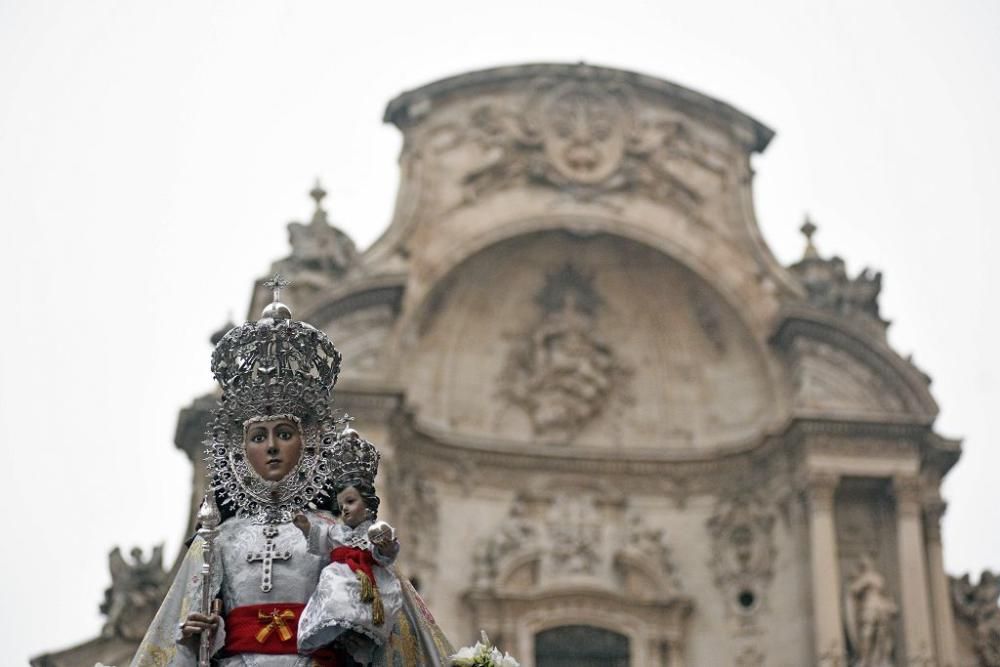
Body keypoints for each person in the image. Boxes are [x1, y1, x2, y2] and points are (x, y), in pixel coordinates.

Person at [130, 277, 453, 667]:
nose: (270, 446)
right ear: (239, 448)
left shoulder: (334, 535)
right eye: (258, 436)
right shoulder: (216, 540)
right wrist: (198, 636)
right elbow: (177, 643)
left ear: (308, 443)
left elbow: (387, 631)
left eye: (283, 434)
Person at [293, 431, 403, 664]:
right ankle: (335, 632)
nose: (344, 509)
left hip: (369, 582)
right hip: (340, 579)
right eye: (341, 504)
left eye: (351, 502)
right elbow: (321, 539)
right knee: (333, 593)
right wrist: (306, 528)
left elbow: (384, 556)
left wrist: (385, 546)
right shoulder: (336, 531)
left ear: (368, 504)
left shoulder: (374, 531)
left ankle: (360, 635)